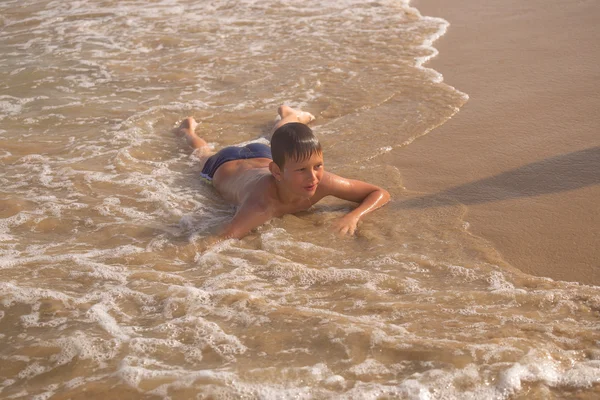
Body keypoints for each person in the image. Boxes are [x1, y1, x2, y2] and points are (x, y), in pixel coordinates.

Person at [175, 105, 390, 240]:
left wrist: (353, 216)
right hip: (223, 165)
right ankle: (188, 130)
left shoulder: (321, 182)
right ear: (277, 173)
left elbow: (380, 193)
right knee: (202, 153)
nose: (313, 177)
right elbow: (221, 238)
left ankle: (289, 115)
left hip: (264, 154)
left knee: (283, 139)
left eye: (318, 165)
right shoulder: (260, 206)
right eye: (302, 170)